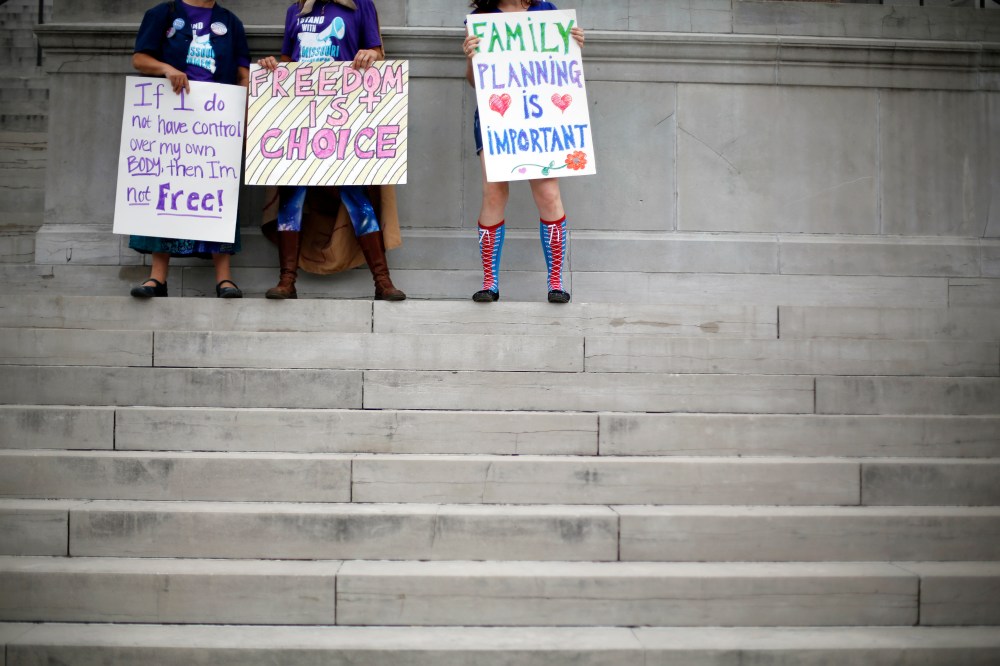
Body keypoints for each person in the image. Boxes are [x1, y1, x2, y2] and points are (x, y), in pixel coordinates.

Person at [257, 0, 405, 301]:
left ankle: (382, 281)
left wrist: (370, 55)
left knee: (355, 194)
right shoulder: (296, 10)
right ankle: (287, 280)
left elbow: (376, 51)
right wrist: (273, 66)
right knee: (292, 194)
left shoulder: (360, 5)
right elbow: (288, 62)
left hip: (344, 116)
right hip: (300, 115)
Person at [463, 0, 585, 303]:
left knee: (548, 193)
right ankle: (490, 282)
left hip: (542, 117)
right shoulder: (481, 18)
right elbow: (473, 81)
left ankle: (556, 281)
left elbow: (561, 70)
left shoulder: (546, 11)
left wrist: (574, 46)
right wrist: (470, 58)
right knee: (493, 192)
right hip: (496, 119)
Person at [128, 0, 250, 298]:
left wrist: (244, 115)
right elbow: (140, 59)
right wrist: (167, 69)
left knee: (217, 192)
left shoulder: (230, 22)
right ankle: (157, 277)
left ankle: (224, 278)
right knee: (164, 191)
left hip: (216, 121)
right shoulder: (162, 14)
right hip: (170, 118)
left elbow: (242, 73)